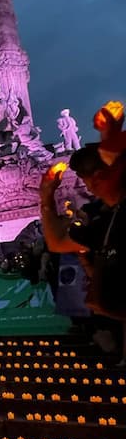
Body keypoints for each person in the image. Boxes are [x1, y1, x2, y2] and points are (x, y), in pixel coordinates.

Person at [41, 142, 126, 360]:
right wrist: (47, 198)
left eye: (85, 176)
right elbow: (58, 242)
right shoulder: (108, 220)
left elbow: (57, 242)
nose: (87, 186)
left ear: (100, 175)